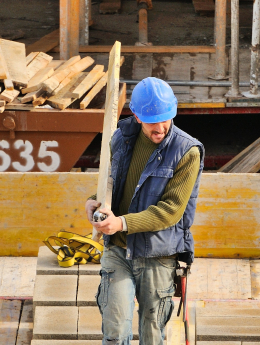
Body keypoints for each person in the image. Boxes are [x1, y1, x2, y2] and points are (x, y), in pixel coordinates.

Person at [86, 77, 204, 345]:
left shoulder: (186, 151)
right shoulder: (121, 139)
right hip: (118, 249)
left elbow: (171, 211)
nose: (161, 127)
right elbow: (112, 181)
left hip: (157, 255)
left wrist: (122, 223)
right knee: (115, 333)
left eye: (166, 119)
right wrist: (94, 202)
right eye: (152, 121)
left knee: (152, 335)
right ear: (137, 116)